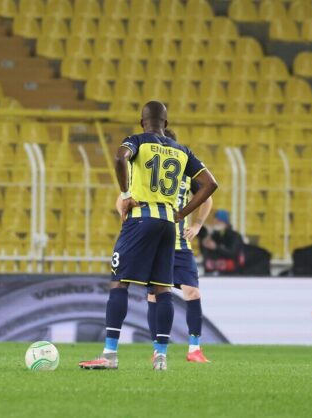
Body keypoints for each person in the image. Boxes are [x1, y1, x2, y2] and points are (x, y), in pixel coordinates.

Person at [79, 101, 218, 371]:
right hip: (168, 223)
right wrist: (183, 213)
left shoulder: (138, 141)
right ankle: (161, 357)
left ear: (142, 122)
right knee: (162, 289)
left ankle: (109, 355)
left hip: (141, 218)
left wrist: (126, 194)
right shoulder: (182, 150)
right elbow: (210, 184)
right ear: (166, 123)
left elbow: (120, 158)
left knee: (120, 283)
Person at [145, 129, 213, 363]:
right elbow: (122, 197)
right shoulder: (148, 170)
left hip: (180, 245)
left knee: (192, 292)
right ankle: (157, 349)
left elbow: (207, 196)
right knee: (154, 296)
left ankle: (194, 349)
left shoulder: (184, 169)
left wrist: (197, 225)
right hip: (155, 244)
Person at [200, 209, 245, 275]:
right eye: (215, 221)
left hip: (231, 274)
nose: (215, 223)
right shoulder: (213, 235)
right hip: (213, 273)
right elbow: (206, 255)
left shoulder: (235, 236)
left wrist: (216, 247)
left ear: (225, 222)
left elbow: (233, 253)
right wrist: (204, 244)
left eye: (218, 221)